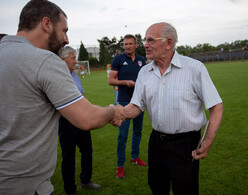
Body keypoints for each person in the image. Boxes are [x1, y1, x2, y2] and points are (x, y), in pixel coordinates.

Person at [0, 1, 124, 194]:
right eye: (64, 30)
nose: (66, 39)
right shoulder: (44, 59)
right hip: (25, 185)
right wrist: (113, 111)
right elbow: (87, 117)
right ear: (46, 24)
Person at [122, 22, 224, 195]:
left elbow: (216, 106)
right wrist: (118, 112)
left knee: (185, 190)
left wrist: (208, 141)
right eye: (145, 40)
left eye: (151, 40)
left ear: (169, 43)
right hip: (156, 142)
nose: (145, 44)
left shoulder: (194, 69)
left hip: (185, 144)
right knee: (157, 187)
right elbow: (136, 106)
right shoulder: (144, 72)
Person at [58, 46, 101, 195]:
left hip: (82, 119)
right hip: (66, 122)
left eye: (75, 58)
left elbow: (82, 96)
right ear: (62, 60)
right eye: (73, 58)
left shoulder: (75, 76)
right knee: (68, 156)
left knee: (87, 150)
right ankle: (70, 191)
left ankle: (85, 181)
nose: (76, 61)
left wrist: (92, 112)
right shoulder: (57, 77)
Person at [108, 34, 147, 179]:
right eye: (125, 44)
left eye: (130, 44)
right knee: (122, 135)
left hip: (139, 102)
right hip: (124, 102)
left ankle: (135, 157)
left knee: (138, 131)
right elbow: (111, 81)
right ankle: (120, 166)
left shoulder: (141, 60)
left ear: (136, 45)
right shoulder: (118, 59)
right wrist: (125, 82)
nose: (128, 46)